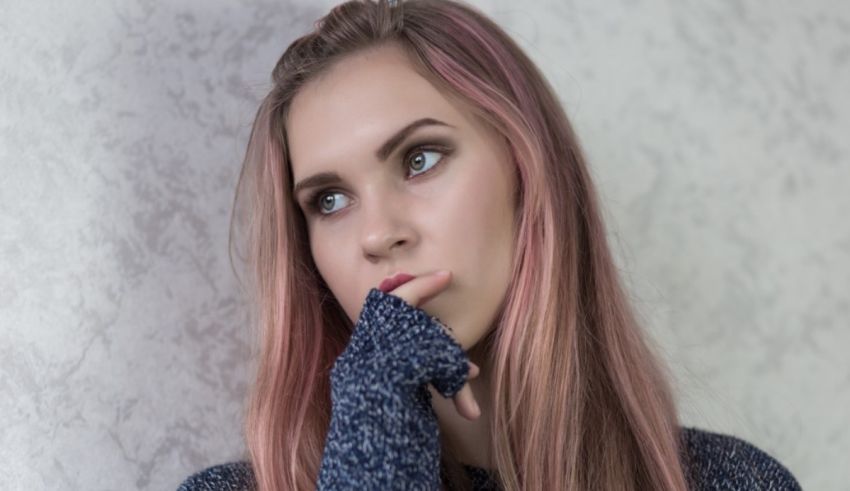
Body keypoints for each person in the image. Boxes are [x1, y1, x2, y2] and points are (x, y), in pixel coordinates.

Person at [178, 0, 802, 489]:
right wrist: (376, 433)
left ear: (527, 170)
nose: (377, 234)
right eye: (330, 201)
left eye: (419, 159)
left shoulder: (733, 480)